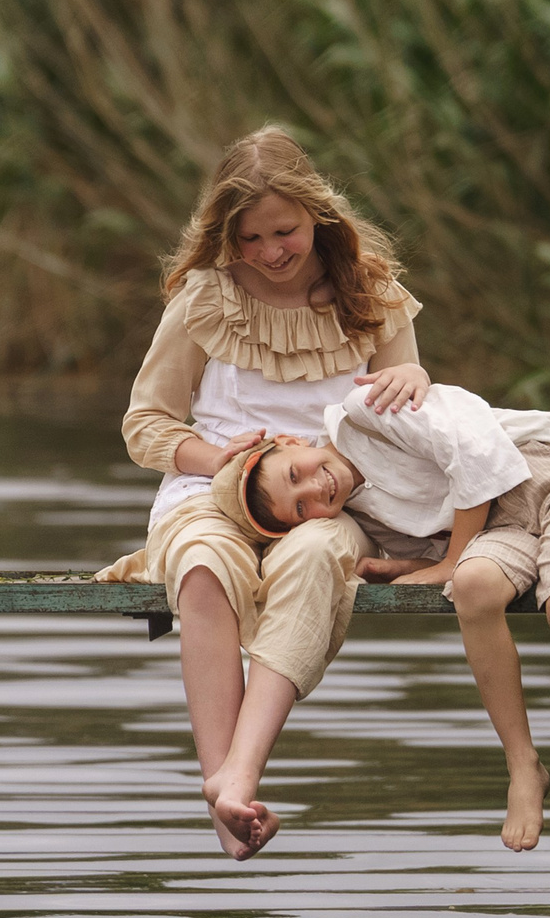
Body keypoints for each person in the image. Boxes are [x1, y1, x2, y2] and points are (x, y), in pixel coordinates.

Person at [96, 125, 429, 862]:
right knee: (205, 562)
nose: (272, 251)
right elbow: (145, 424)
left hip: (331, 499)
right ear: (226, 235)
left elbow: (411, 432)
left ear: (318, 212)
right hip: (211, 487)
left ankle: (241, 772)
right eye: (250, 238)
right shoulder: (204, 300)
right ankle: (222, 787)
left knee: (313, 557)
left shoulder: (373, 295)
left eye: (285, 231)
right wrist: (219, 457)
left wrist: (417, 381)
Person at [223, 382, 550, 866]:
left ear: (290, 442)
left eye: (294, 473)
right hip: (499, 528)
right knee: (473, 585)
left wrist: (450, 560)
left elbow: (474, 448)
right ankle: (523, 766)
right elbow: (447, 547)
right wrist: (417, 566)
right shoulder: (363, 514)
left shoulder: (366, 412)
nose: (315, 488)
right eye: (301, 508)